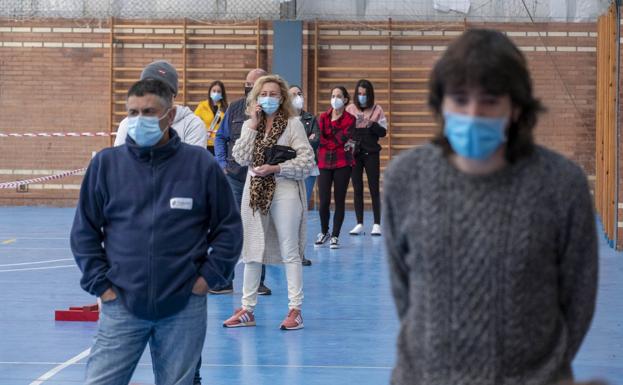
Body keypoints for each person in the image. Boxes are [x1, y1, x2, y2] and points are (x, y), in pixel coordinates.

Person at [383, 29, 598, 385]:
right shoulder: (405, 178)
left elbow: (578, 298)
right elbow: (404, 290)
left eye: (489, 101)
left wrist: (537, 372)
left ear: (515, 108)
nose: (473, 113)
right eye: (460, 100)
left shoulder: (562, 183)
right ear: (441, 105)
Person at [71, 79, 242, 385]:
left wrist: (206, 280)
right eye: (132, 113)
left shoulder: (199, 164)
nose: (139, 120)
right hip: (121, 304)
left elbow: (229, 229)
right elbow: (83, 231)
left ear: (170, 114)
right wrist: (101, 287)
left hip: (183, 306)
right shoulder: (106, 166)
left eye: (148, 112)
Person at [222, 74, 315, 330]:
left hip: (284, 188)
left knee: (289, 250)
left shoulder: (293, 125)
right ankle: (247, 309)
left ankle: (295, 309)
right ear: (255, 98)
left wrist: (276, 167)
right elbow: (240, 157)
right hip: (254, 191)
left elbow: (306, 162)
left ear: (282, 97)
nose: (268, 98)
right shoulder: (250, 125)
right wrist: (251, 124)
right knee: (251, 250)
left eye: (274, 94)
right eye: (264, 94)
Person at [214, 68, 272, 296]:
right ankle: (225, 280)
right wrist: (222, 165)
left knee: (258, 229)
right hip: (234, 177)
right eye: (248, 84)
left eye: (256, 84)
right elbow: (220, 137)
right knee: (230, 229)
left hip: (261, 177)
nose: (251, 88)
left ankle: (258, 282)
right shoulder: (235, 108)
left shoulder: (273, 111)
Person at [114, 60, 207, 148]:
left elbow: (193, 162)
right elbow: (119, 161)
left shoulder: (192, 125)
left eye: (161, 91)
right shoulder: (128, 124)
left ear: (172, 96)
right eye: (148, 89)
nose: (153, 96)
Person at [314, 86, 356, 249]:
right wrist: (331, 139)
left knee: (340, 200)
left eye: (339, 96)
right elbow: (319, 138)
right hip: (324, 162)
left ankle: (336, 236)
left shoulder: (350, 119)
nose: (335, 98)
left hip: (342, 163)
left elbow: (344, 138)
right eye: (333, 95)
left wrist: (329, 140)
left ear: (345, 100)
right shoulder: (322, 117)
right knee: (324, 201)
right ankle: (324, 232)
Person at [345, 79, 387, 236]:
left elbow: (383, 132)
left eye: (365, 94)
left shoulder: (377, 109)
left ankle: (377, 223)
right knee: (357, 187)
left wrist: (370, 123)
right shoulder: (350, 108)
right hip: (354, 153)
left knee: (374, 187)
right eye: (360, 93)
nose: (362, 96)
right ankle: (359, 223)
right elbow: (343, 130)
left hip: (371, 153)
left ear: (370, 95)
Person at [289, 84, 320, 266]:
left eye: (299, 94)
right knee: (287, 212)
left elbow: (315, 141)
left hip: (308, 170)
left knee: (301, 212)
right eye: (293, 94)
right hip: (287, 170)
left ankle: (300, 253)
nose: (297, 97)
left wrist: (299, 146)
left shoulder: (310, 119)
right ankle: (286, 252)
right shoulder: (282, 119)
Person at [194, 80, 228, 154]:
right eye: (214, 91)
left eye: (219, 91)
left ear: (222, 94)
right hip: (205, 143)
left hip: (220, 144)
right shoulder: (202, 106)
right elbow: (194, 123)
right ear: (210, 92)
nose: (216, 93)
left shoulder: (225, 108)